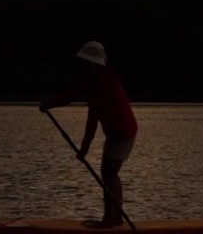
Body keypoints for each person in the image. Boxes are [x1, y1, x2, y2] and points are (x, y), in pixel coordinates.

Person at [40, 41, 138, 229]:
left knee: (109, 175)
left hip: (123, 132)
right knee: (108, 174)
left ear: (94, 63)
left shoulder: (103, 84)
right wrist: (49, 104)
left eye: (87, 62)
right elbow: (72, 95)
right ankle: (112, 217)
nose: (83, 66)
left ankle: (112, 219)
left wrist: (84, 149)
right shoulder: (93, 80)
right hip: (115, 133)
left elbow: (92, 122)